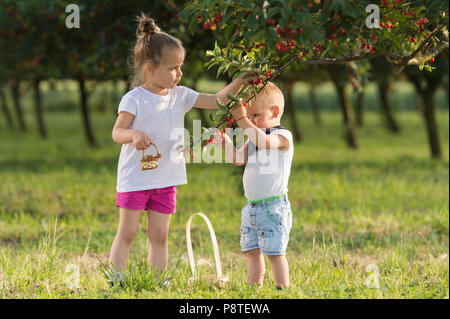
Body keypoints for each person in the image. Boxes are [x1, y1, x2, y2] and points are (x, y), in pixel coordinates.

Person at [108, 13, 249, 285]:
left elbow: (219, 100)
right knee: (128, 232)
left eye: (180, 66)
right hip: (135, 179)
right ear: (150, 69)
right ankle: (117, 280)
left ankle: (157, 280)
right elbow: (117, 133)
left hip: (166, 179)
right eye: (173, 68)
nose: (179, 73)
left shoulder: (181, 95)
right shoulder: (134, 99)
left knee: (159, 235)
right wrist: (133, 134)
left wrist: (242, 80)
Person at [215, 82, 294, 289]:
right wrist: (226, 144)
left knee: (274, 253)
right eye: (249, 117)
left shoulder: (282, 137)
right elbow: (238, 159)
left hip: (272, 208)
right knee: (252, 251)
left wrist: (241, 119)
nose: (251, 122)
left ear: (274, 111)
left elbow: (265, 143)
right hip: (251, 208)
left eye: (255, 116)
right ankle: (253, 288)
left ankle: (281, 289)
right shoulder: (254, 139)